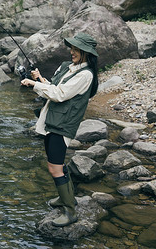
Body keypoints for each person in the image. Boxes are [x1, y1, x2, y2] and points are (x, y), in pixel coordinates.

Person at [21, 32, 99, 227]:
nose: (72, 51)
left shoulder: (86, 75)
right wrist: (41, 79)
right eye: (72, 48)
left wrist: (34, 84)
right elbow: (55, 87)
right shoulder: (68, 67)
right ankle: (64, 198)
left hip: (63, 125)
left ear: (86, 53)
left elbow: (60, 95)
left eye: (77, 49)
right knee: (55, 165)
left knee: (55, 168)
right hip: (51, 122)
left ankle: (70, 211)